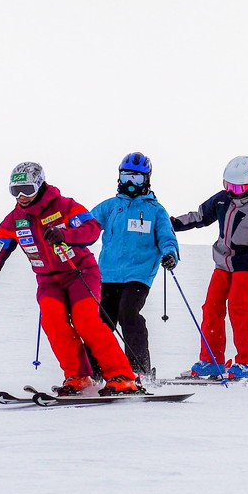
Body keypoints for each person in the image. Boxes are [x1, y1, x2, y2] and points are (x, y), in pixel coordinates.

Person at [0, 162, 140, 395]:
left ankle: (122, 375)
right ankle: (78, 376)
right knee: (53, 322)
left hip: (80, 273)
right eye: (15, 191)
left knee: (86, 321)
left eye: (27, 189)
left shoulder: (65, 206)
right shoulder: (14, 221)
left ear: (39, 185)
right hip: (48, 281)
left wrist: (65, 234)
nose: (22, 196)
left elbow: (92, 228)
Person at [171, 155, 248, 379]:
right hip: (222, 263)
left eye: (238, 186)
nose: (233, 190)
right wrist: (173, 224)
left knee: (238, 308)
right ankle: (211, 360)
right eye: (228, 185)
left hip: (247, 264)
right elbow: (200, 217)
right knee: (211, 307)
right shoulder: (222, 200)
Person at [89, 152, 180, 379]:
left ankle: (140, 370)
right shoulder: (110, 207)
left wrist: (170, 255)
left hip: (139, 274)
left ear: (147, 179)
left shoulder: (155, 211)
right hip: (108, 275)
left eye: (137, 178)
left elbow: (168, 238)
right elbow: (86, 228)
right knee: (101, 321)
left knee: (128, 313)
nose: (131, 183)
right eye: (127, 176)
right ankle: (94, 370)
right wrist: (67, 237)